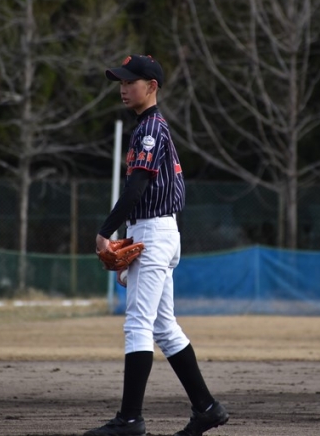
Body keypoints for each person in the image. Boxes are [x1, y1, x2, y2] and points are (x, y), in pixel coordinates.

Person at [85, 55, 229, 436]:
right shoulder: (153, 127)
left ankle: (130, 419)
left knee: (138, 324)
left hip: (152, 232)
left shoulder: (149, 128)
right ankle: (207, 408)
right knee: (164, 327)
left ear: (152, 87)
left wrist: (106, 231)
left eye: (130, 81)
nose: (123, 88)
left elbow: (137, 186)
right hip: (159, 231)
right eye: (120, 82)